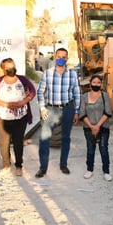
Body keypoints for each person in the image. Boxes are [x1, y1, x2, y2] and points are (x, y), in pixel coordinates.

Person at [35, 48, 81, 177]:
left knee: (65, 138)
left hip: (68, 108)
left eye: (64, 57)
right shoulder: (47, 74)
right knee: (44, 138)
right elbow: (40, 92)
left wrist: (76, 111)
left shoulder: (72, 74)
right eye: (59, 56)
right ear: (55, 57)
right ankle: (43, 168)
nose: (61, 59)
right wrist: (42, 108)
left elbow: (77, 93)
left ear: (67, 59)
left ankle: (63, 165)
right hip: (51, 109)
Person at [0, 58, 36, 176]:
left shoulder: (22, 80)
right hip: (2, 118)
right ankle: (6, 165)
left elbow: (32, 91)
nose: (11, 69)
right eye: (8, 68)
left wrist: (23, 102)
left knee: (18, 142)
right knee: (4, 143)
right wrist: (7, 105)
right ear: (3, 69)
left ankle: (19, 166)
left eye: (12, 66)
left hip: (20, 117)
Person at [79, 74, 113, 181]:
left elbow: (108, 112)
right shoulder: (84, 97)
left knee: (103, 149)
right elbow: (82, 114)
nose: (96, 84)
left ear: (101, 84)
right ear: (90, 84)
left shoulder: (105, 96)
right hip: (88, 128)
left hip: (103, 128)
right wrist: (91, 126)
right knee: (90, 149)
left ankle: (106, 172)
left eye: (98, 83)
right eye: (94, 82)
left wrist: (97, 126)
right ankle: (89, 169)